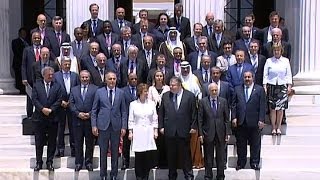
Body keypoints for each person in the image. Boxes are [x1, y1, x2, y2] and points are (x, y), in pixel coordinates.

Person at [159, 76, 196, 180]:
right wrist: (161, 126)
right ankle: (172, 176)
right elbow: (161, 112)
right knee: (171, 157)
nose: (171, 87)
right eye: (170, 85)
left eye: (173, 85)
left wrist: (193, 126)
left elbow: (194, 113)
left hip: (184, 130)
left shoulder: (190, 96)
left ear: (179, 85)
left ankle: (188, 176)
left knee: (185, 156)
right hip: (169, 131)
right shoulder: (166, 96)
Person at [91, 71, 127, 180]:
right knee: (103, 152)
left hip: (116, 126)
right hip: (103, 126)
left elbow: (124, 111)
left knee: (115, 152)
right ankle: (103, 175)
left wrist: (124, 126)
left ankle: (114, 174)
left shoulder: (121, 93)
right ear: (105, 80)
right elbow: (94, 110)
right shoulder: (99, 92)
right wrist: (94, 125)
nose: (112, 81)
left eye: (114, 79)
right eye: (110, 79)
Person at [232, 71, 266, 171]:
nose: (247, 79)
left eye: (249, 77)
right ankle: (241, 163)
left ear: (253, 78)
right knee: (241, 144)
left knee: (255, 144)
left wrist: (261, 119)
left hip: (254, 122)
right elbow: (233, 105)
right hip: (241, 121)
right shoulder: (237, 89)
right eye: (245, 77)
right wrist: (233, 117)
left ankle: (255, 163)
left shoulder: (259, 90)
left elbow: (262, 105)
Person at [32, 66, 62, 171]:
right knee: (39, 141)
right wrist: (42, 109)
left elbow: (59, 100)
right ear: (43, 75)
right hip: (39, 119)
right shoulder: (37, 86)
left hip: (52, 118)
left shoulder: (57, 86)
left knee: (52, 141)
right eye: (49, 75)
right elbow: (34, 99)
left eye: (52, 75)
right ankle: (39, 162)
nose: (51, 76)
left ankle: (49, 162)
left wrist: (51, 109)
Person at [198, 82, 231, 180]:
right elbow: (200, 119)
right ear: (209, 91)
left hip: (220, 133)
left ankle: (220, 176)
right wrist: (200, 134)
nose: (214, 92)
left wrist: (227, 133)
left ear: (218, 91)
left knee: (220, 157)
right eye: (212, 90)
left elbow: (226, 119)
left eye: (216, 90)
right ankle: (208, 176)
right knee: (208, 157)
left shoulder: (223, 101)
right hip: (208, 133)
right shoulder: (203, 102)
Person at [69, 70, 98, 171]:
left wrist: (90, 114)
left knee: (90, 143)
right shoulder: (74, 89)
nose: (85, 79)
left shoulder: (95, 89)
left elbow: (96, 104)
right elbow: (71, 104)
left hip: (90, 120)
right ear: (80, 78)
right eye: (83, 77)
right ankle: (78, 163)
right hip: (77, 121)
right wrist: (78, 113)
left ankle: (88, 163)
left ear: (89, 78)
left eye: (86, 77)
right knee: (78, 143)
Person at [128, 83, 158, 180]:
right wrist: (130, 132)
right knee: (139, 157)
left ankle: (146, 177)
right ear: (140, 92)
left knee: (147, 157)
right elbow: (131, 119)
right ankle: (139, 177)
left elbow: (155, 119)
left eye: (147, 92)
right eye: (145, 92)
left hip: (148, 132)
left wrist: (155, 130)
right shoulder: (133, 104)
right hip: (138, 132)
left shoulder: (152, 104)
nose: (147, 94)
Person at [263, 44, 292, 135]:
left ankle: (279, 127)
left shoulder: (285, 61)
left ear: (281, 51)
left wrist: (289, 86)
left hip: (282, 85)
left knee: (280, 108)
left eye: (278, 50)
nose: (276, 52)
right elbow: (265, 74)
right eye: (275, 50)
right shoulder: (269, 61)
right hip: (272, 85)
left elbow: (288, 74)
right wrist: (265, 85)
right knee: (272, 108)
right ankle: (273, 127)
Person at [54, 58, 80, 157]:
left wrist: (71, 102)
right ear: (61, 65)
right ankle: (60, 149)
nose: (67, 66)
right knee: (60, 128)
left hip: (71, 105)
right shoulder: (56, 76)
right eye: (65, 64)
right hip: (60, 106)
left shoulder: (75, 76)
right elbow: (54, 90)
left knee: (73, 128)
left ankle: (74, 149)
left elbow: (77, 90)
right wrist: (61, 102)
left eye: (69, 64)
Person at [179, 61, 203, 169]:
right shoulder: (177, 79)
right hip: (181, 114)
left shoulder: (194, 79)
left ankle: (196, 161)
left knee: (194, 138)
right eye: (183, 68)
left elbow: (199, 94)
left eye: (186, 68)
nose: (185, 70)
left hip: (194, 112)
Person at [148, 70, 170, 168]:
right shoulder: (151, 89)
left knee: (164, 141)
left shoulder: (167, 88)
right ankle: (154, 162)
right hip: (154, 116)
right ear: (154, 78)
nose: (159, 78)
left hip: (165, 116)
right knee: (155, 140)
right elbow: (148, 103)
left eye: (161, 76)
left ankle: (164, 162)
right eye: (157, 76)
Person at [22, 31, 42, 119]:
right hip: (30, 78)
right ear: (32, 39)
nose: (37, 39)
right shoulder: (27, 50)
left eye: (38, 38)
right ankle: (29, 116)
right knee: (30, 98)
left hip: (41, 78)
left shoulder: (44, 49)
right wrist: (24, 78)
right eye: (35, 38)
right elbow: (23, 65)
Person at [121, 73, 138, 170]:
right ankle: (125, 162)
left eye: (135, 79)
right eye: (132, 79)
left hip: (138, 122)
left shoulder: (140, 90)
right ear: (128, 80)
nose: (134, 81)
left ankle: (138, 162)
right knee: (126, 145)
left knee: (138, 144)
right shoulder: (123, 91)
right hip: (127, 120)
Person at [12, 27, 29, 94]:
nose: (24, 34)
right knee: (18, 78)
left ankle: (24, 91)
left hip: (26, 64)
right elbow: (16, 52)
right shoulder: (15, 41)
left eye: (25, 33)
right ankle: (20, 91)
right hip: (18, 63)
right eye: (22, 33)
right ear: (19, 34)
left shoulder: (27, 42)